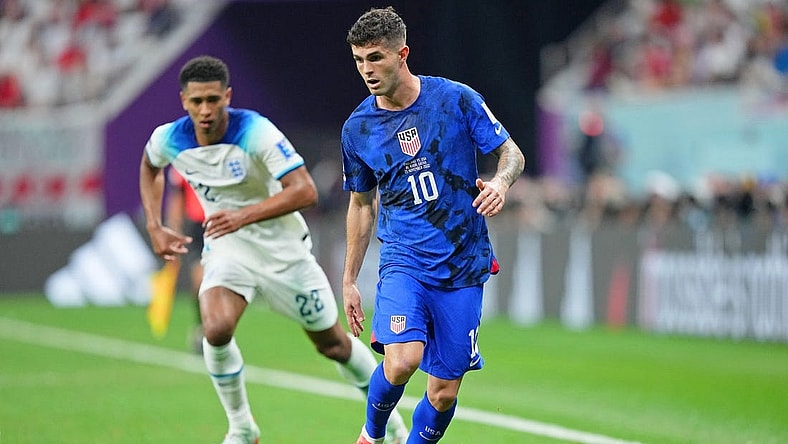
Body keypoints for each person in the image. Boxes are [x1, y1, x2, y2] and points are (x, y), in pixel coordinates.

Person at [139, 55, 408, 444]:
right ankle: (242, 428)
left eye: (213, 100)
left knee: (333, 344)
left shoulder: (256, 132)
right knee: (215, 328)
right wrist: (155, 225)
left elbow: (306, 191)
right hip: (228, 249)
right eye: (196, 101)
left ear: (227, 96)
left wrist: (243, 215)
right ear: (183, 100)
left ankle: (393, 426)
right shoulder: (169, 138)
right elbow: (150, 166)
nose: (205, 110)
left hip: (284, 253)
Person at [340, 7, 525, 444]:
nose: (366, 69)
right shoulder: (358, 129)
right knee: (402, 361)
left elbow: (511, 153)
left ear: (402, 54)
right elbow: (362, 204)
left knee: (442, 394)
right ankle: (371, 434)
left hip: (464, 263)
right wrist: (349, 280)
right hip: (405, 258)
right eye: (359, 60)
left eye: (375, 58)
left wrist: (500, 183)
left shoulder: (456, 99)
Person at [165, 168, 205, 354]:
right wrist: (173, 230)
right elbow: (176, 196)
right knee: (200, 283)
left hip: (226, 223)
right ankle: (203, 328)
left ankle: (216, 329)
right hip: (198, 227)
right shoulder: (183, 158)